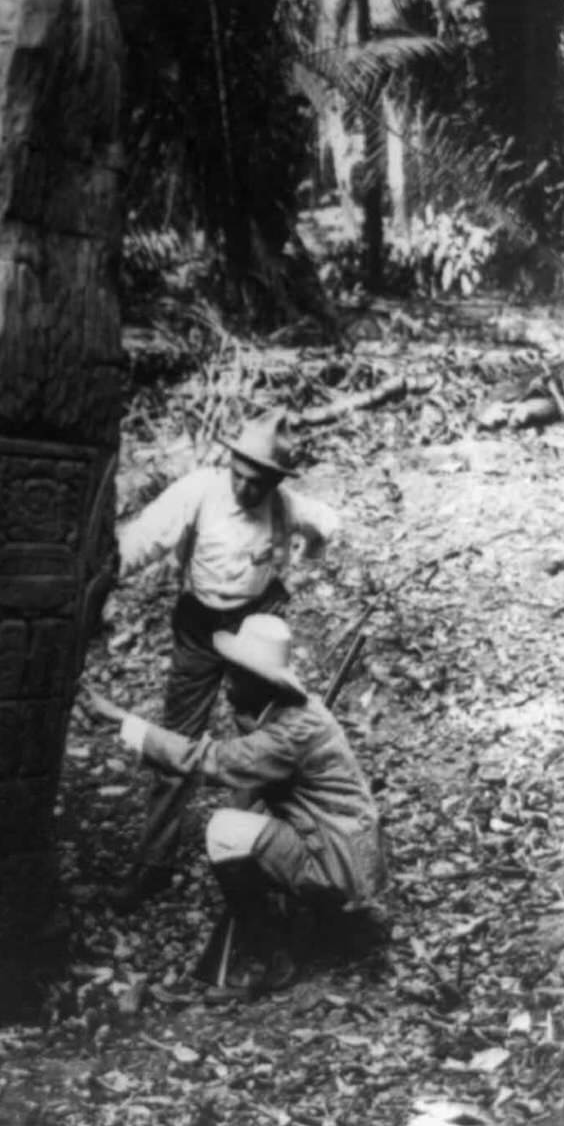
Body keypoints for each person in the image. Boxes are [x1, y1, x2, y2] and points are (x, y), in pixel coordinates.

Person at [113, 411, 339, 908]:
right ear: (229, 462)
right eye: (239, 474)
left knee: (259, 743)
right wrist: (103, 576)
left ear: (275, 482)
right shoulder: (200, 491)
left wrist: (302, 568)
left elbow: (324, 525)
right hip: (198, 626)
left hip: (252, 629)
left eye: (257, 483)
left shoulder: (285, 505)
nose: (245, 488)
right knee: (178, 738)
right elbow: (143, 539)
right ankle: (153, 864)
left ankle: (250, 856)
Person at [113, 614, 388, 995]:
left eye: (237, 674)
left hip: (341, 862)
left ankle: (269, 955)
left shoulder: (288, 733)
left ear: (260, 683)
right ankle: (307, 916)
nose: (228, 682)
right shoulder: (286, 716)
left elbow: (207, 761)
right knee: (245, 818)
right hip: (345, 847)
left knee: (224, 831)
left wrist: (123, 724)